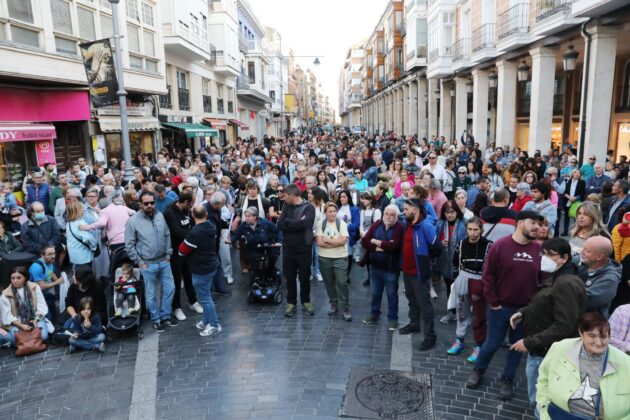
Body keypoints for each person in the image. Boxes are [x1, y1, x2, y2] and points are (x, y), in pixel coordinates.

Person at [466, 210, 544, 400]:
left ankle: (507, 379)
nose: (537, 227)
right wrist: (494, 303)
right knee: (491, 344)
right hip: (500, 308)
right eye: (532, 222)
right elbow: (488, 276)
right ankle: (479, 369)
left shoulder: (539, 249)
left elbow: (544, 280)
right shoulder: (500, 245)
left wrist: (533, 307)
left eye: (538, 223)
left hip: (525, 310)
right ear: (519, 223)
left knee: (517, 348)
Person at [509, 238, 587, 409]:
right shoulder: (558, 276)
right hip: (542, 351)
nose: (544, 258)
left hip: (546, 353)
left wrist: (529, 342)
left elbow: (564, 325)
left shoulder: (566, 283)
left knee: (541, 404)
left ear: (564, 258)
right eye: (543, 253)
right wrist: (524, 312)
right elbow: (546, 303)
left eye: (550, 255)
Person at [536, 312, 630, 419]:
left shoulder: (626, 363)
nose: (599, 343)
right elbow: (543, 377)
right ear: (581, 333)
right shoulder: (560, 348)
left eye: (604, 336)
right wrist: (543, 408)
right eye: (592, 336)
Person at [125, 191, 178, 332]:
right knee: (151, 294)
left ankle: (165, 315)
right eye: (146, 203)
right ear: (140, 204)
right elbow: (129, 245)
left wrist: (168, 254)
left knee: (170, 289)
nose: (149, 205)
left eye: (151, 202)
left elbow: (167, 234)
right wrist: (140, 262)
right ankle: (156, 319)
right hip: (147, 263)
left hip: (164, 261)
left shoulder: (160, 215)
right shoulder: (133, 221)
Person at [447, 217, 492, 363]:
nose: (472, 233)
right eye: (470, 229)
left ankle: (479, 346)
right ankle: (459, 340)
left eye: (475, 229)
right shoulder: (461, 243)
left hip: (479, 281)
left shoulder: (489, 245)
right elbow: (454, 262)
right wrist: (456, 280)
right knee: (461, 312)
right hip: (463, 278)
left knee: (479, 315)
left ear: (481, 230)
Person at [178, 205, 222, 337]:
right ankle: (206, 320)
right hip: (210, 265)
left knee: (205, 298)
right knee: (206, 294)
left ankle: (214, 325)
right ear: (206, 215)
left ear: (193, 216)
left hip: (201, 269)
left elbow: (182, 250)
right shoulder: (210, 226)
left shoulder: (195, 233)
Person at [400, 198, 437, 351]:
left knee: (424, 304)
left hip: (419, 273)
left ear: (415, 210)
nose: (404, 212)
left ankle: (430, 336)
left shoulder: (426, 226)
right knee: (411, 300)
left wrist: (426, 263)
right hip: (407, 271)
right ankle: (414, 324)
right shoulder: (408, 224)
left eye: (407, 209)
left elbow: (437, 248)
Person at [361, 204, 404, 331]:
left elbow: (394, 246)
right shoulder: (377, 224)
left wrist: (376, 242)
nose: (389, 217)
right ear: (383, 214)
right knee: (375, 293)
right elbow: (365, 241)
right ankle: (374, 314)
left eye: (392, 215)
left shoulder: (399, 227)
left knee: (391, 294)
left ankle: (392, 319)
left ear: (396, 216)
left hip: (391, 268)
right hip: (375, 267)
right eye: (387, 214)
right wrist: (381, 246)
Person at [277, 184, 315, 318]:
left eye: (285, 196)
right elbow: (280, 224)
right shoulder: (287, 206)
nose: (283, 198)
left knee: (304, 278)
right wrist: (295, 223)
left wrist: (289, 222)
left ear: (292, 195)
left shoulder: (309, 207)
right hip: (288, 249)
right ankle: (291, 303)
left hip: (304, 249)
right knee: (290, 278)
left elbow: (306, 224)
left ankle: (306, 301)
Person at [163, 191, 201, 321]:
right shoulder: (170, 212)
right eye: (191, 204)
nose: (192, 207)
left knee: (189, 277)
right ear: (185, 202)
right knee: (177, 280)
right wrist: (194, 232)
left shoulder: (186, 211)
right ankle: (176, 307)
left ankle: (193, 301)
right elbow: (177, 232)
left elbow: (191, 225)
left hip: (188, 249)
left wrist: (191, 231)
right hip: (175, 252)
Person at [315, 202, 351, 321]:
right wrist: (335, 243)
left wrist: (327, 241)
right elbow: (319, 243)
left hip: (340, 258)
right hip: (324, 258)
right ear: (325, 213)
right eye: (330, 211)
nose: (332, 213)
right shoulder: (321, 224)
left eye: (334, 211)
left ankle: (345, 307)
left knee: (342, 282)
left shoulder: (342, 224)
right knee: (329, 282)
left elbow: (343, 242)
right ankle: (334, 303)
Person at [1, 266, 51, 345]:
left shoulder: (34, 287)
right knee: (14, 340)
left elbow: (41, 306)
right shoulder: (5, 294)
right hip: (16, 322)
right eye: (12, 278)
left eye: (18, 278)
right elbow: (6, 316)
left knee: (44, 336)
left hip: (34, 318)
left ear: (25, 278)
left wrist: (36, 319)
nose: (15, 281)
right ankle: (31, 341)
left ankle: (31, 340)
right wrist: (21, 325)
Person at [436, 200, 467, 325]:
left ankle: (464, 314)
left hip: (460, 263)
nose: (449, 215)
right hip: (445, 261)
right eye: (447, 212)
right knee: (449, 288)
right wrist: (440, 243)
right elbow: (434, 241)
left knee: (462, 289)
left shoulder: (464, 223)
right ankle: (452, 313)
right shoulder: (440, 224)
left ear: (457, 212)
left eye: (452, 212)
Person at [577, 236, 621, 318]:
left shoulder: (610, 279)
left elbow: (586, 300)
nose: (581, 252)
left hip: (588, 325)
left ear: (599, 257)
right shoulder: (579, 261)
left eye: (587, 251)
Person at [80, 190, 134, 255]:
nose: (91, 198)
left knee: (117, 262)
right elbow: (134, 213)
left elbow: (102, 223)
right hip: (128, 239)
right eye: (89, 196)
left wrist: (87, 227)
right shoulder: (123, 207)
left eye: (93, 196)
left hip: (116, 241)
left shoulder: (104, 211)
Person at [66, 200, 98, 270]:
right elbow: (88, 238)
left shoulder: (69, 223)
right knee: (85, 276)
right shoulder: (80, 223)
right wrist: (94, 247)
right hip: (83, 255)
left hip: (74, 254)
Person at [562, 168, 586, 236]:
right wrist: (569, 198)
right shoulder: (567, 181)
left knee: (576, 217)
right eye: (575, 172)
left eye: (578, 173)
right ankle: (565, 231)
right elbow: (564, 192)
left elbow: (582, 193)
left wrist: (575, 198)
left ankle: (576, 231)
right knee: (566, 217)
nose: (577, 174)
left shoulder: (582, 182)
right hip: (567, 201)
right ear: (572, 173)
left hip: (576, 202)